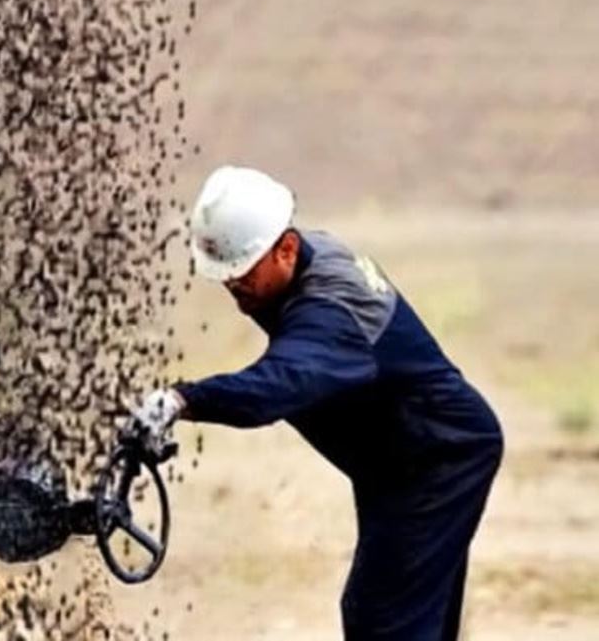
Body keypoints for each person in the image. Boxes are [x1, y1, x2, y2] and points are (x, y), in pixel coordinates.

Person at [133, 166, 503, 641]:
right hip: (403, 460)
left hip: (435, 462)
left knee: (381, 617)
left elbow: (276, 386)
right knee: (411, 619)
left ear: (285, 249)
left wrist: (183, 399)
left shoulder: (333, 314)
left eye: (241, 274)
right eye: (224, 278)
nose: (233, 288)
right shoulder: (308, 260)